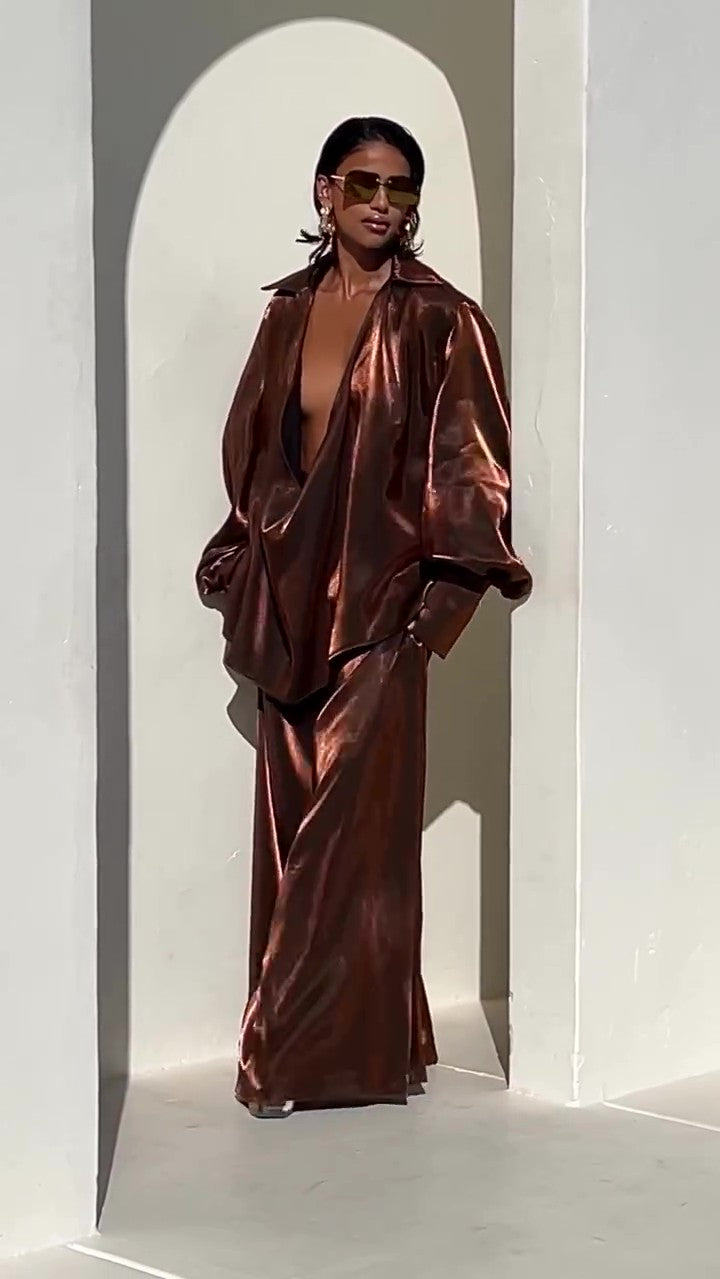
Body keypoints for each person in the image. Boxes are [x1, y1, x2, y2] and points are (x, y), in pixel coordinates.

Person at [196, 116, 531, 1119]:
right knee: (295, 836)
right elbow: (254, 452)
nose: (383, 203)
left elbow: (473, 466)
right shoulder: (287, 314)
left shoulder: (442, 319)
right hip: (286, 610)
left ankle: (285, 1061)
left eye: (401, 187)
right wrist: (244, 561)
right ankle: (378, 1048)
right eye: (364, 183)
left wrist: (436, 614)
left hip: (384, 617)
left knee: (351, 845)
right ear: (325, 192)